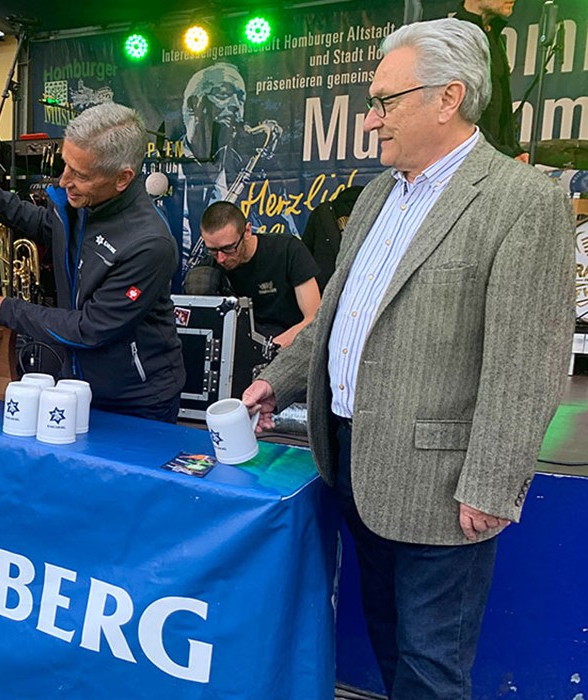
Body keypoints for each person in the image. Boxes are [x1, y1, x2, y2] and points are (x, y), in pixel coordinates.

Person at [241, 19, 574, 699]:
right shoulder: (374, 197)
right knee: (391, 645)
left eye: (384, 101)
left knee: (430, 669)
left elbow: (528, 359)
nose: (369, 121)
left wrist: (492, 483)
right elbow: (334, 317)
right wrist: (275, 381)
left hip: (444, 487)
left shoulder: (523, 202)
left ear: (448, 98)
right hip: (355, 464)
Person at [0, 103, 186, 422]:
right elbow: (49, 226)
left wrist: (8, 310)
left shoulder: (149, 244)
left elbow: (92, 328)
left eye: (80, 174)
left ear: (122, 178)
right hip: (76, 385)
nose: (65, 181)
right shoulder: (84, 201)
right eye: (66, 165)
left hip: (136, 400)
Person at [186, 201, 321, 348]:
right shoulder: (209, 268)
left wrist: (270, 350)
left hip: (289, 345)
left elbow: (313, 319)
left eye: (229, 248)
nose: (221, 258)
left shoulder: (287, 250)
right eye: (212, 250)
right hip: (239, 351)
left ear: (248, 231)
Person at [450, 0, 524, 159]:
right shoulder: (454, 37)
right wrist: (504, 155)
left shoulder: (493, 34)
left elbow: (501, 106)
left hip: (493, 159)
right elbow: (460, 116)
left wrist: (514, 150)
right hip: (468, 163)